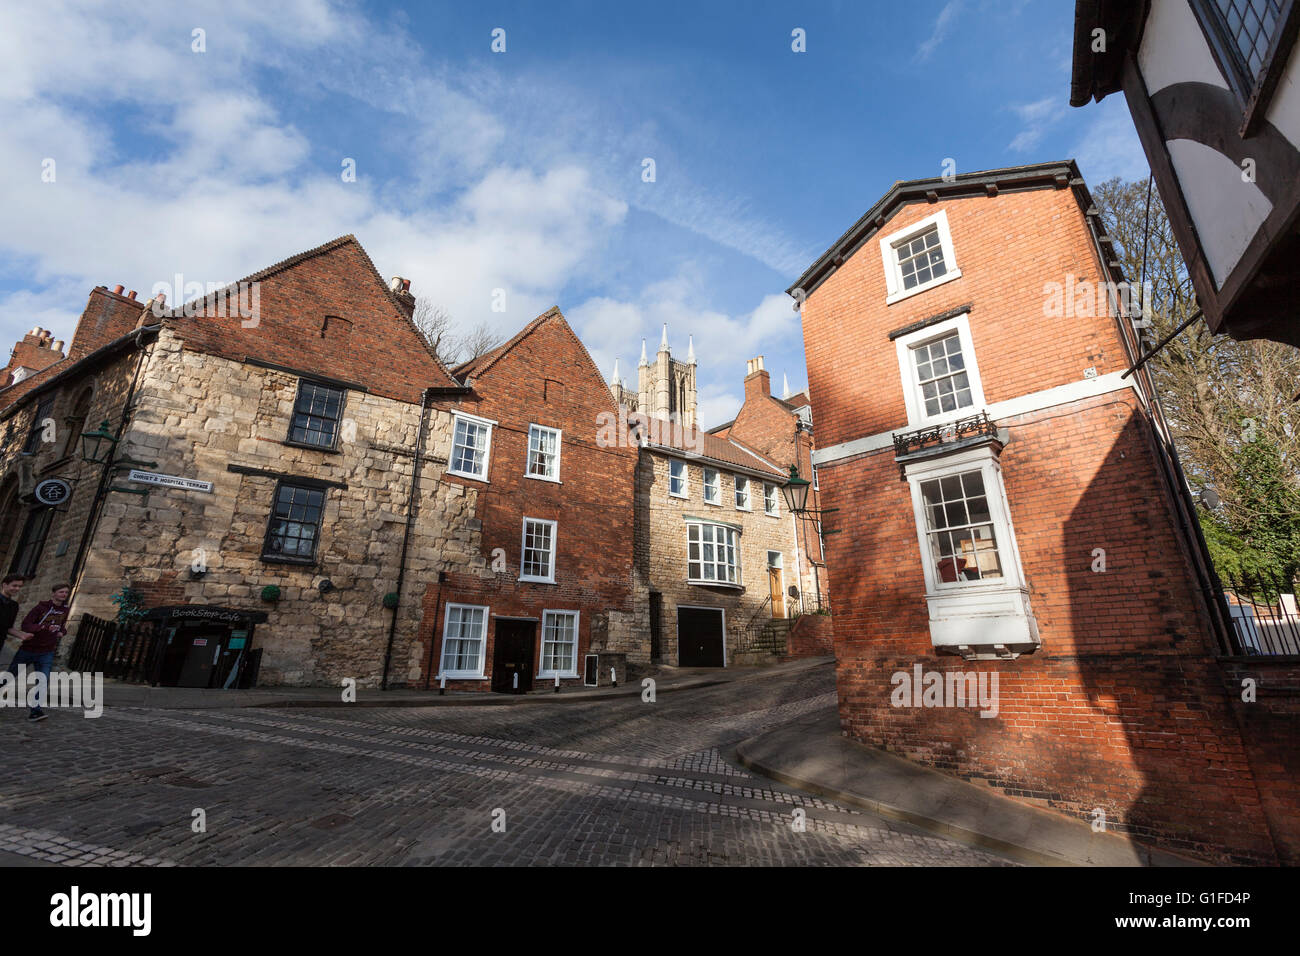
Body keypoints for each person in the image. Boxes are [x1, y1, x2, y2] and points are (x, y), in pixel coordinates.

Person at [10, 584, 71, 722]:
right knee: (10, 675)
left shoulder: (64, 610)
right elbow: (25, 625)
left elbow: (62, 626)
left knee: (43, 681)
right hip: (28, 649)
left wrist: (62, 632)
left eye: (66, 592)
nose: (64, 594)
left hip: (47, 651)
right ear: (54, 593)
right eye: (61, 592)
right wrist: (42, 627)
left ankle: (35, 711)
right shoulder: (40, 608)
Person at [0, 575, 34, 649]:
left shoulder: (14, 605)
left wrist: (21, 635)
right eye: (14, 585)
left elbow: (7, 627)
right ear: (4, 585)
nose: (17, 589)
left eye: (19, 586)